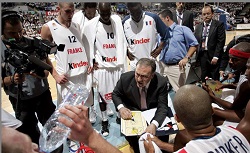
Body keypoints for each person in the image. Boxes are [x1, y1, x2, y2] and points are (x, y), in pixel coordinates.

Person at [1, 10, 56, 145]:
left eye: (20, 31)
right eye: (12, 33)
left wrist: (40, 73)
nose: (18, 36)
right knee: (30, 135)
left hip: (43, 95)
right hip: (20, 100)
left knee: (53, 130)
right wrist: (13, 79)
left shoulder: (33, 43)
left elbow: (47, 70)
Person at [143, 85, 250, 153]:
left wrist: (151, 151)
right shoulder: (238, 131)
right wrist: (162, 144)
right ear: (213, 111)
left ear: (177, 119)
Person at [82, 3, 127, 136]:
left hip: (117, 66)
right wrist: (91, 60)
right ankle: (104, 121)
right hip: (103, 68)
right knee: (102, 97)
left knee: (120, 95)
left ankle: (120, 116)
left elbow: (123, 41)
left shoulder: (117, 21)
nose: (106, 16)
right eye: (103, 13)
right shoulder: (91, 26)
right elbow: (87, 45)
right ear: (98, 11)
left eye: (108, 13)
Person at [112, 58, 169, 153]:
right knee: (135, 144)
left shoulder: (161, 82)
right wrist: (121, 108)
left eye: (144, 76)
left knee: (163, 141)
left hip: (152, 114)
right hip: (133, 114)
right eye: (137, 74)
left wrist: (154, 124)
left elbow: (163, 106)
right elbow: (115, 94)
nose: (139, 79)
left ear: (152, 75)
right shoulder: (125, 78)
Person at [40, 2, 92, 106]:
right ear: (59, 9)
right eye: (67, 11)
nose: (71, 15)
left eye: (73, 12)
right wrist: (55, 75)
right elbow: (42, 56)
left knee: (85, 110)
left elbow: (80, 48)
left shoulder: (76, 26)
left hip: (82, 75)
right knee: (68, 115)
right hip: (66, 79)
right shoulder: (48, 28)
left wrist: (89, 63)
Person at [203, 42, 250, 125]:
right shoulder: (243, 72)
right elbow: (238, 86)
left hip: (240, 113)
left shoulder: (247, 83)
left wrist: (212, 96)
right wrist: (224, 85)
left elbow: (232, 107)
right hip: (238, 105)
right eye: (230, 58)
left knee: (209, 112)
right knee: (212, 84)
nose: (230, 62)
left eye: (235, 59)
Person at [158, 9, 198, 92]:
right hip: (163, 66)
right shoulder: (161, 33)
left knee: (180, 93)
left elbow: (194, 44)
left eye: (160, 20)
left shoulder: (182, 29)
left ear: (167, 18)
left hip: (176, 66)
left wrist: (187, 57)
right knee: (162, 91)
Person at [72, 2, 99, 123]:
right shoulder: (77, 18)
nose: (92, 14)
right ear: (84, 9)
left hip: (97, 51)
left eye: (93, 12)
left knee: (100, 82)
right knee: (87, 85)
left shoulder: (98, 16)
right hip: (83, 54)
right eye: (89, 12)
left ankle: (106, 105)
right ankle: (90, 109)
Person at [123, 2, 167, 72]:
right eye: (133, 13)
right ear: (128, 10)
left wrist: (160, 48)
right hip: (134, 65)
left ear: (141, 6)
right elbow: (120, 40)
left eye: (138, 12)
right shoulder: (125, 22)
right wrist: (126, 51)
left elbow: (166, 34)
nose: (136, 15)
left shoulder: (153, 18)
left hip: (151, 62)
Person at [194, 4, 226, 84]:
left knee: (214, 78)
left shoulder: (219, 25)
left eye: (208, 14)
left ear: (212, 14)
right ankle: (205, 95)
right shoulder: (198, 27)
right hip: (202, 56)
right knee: (204, 78)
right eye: (204, 14)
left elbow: (220, 42)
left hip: (213, 55)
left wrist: (216, 56)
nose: (206, 16)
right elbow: (196, 42)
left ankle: (215, 95)